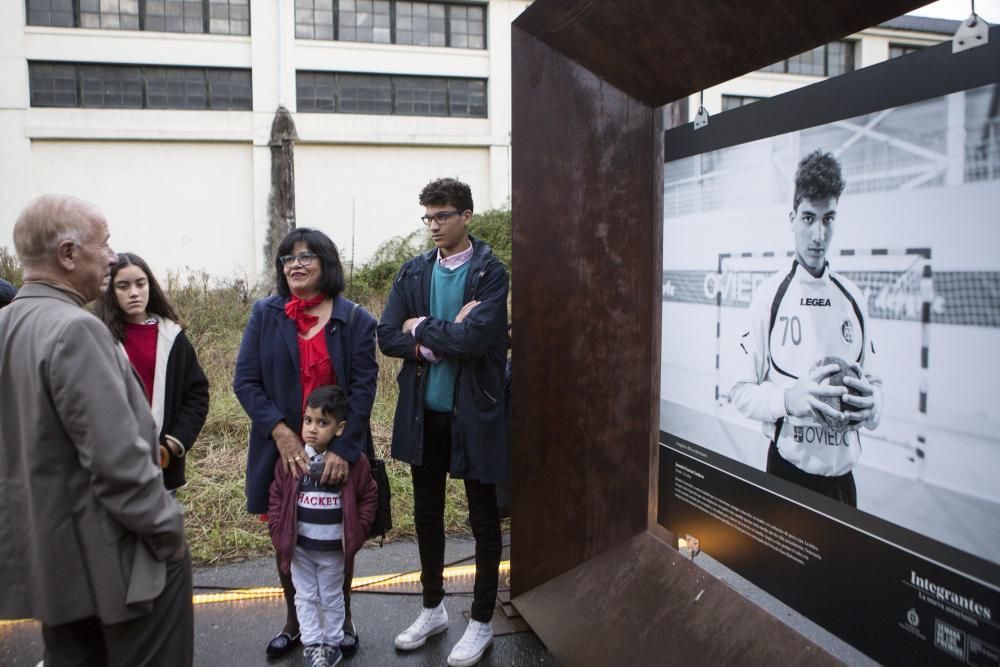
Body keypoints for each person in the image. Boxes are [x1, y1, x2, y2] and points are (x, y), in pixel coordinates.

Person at [0, 195, 191, 666]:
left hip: (49, 560)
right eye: (104, 245)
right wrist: (167, 533)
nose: (111, 257)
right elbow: (118, 462)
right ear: (67, 254)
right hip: (118, 565)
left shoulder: (7, 323)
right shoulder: (74, 330)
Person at [378, 177, 509, 667]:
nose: (434, 225)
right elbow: (387, 335)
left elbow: (476, 341)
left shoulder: (490, 272)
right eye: (428, 217)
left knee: (483, 519)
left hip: (474, 415)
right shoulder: (413, 273)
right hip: (424, 412)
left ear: (466, 216)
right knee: (427, 516)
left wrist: (423, 327)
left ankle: (479, 620)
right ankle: (433, 608)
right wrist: (440, 334)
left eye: (443, 216)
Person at [233, 227, 378, 659]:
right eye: (286, 258)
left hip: (339, 450)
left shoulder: (355, 319)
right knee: (288, 536)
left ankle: (341, 621)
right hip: (281, 452)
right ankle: (296, 621)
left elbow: (364, 390)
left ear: (326, 263)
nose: (294, 265)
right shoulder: (266, 313)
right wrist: (281, 434)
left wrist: (343, 449)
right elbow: (245, 381)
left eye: (305, 256)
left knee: (337, 536)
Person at [731, 150, 883, 507]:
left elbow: (876, 392)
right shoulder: (769, 296)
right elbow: (740, 392)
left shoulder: (854, 300)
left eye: (828, 219)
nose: (819, 234)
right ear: (792, 218)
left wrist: (872, 407)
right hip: (787, 474)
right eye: (808, 218)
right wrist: (788, 399)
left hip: (842, 485)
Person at [268, 385, 378, 667]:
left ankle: (332, 643)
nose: (312, 429)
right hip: (300, 550)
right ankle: (312, 644)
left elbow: (368, 495)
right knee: (303, 597)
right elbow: (277, 496)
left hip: (333, 552)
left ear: (340, 428)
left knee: (332, 597)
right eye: (308, 420)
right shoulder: (293, 461)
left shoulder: (354, 463)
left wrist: (359, 530)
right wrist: (279, 530)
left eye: (322, 422)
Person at [94, 252, 210, 492]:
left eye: (140, 283)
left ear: (150, 285)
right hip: (112, 467)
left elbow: (196, 395)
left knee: (160, 529)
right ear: (111, 292)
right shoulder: (98, 338)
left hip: (162, 465)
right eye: (123, 286)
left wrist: (174, 443)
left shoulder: (172, 337)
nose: (134, 292)